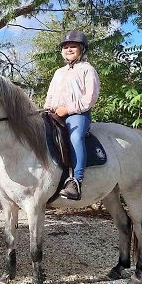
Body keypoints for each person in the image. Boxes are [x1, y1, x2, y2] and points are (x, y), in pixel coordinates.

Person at [44, 30, 100, 200]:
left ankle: (76, 181)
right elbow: (50, 95)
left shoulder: (87, 69)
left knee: (75, 137)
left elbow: (90, 98)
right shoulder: (58, 72)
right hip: (55, 113)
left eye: (73, 46)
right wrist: (47, 108)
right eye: (66, 47)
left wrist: (67, 109)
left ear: (81, 49)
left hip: (78, 114)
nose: (68, 49)